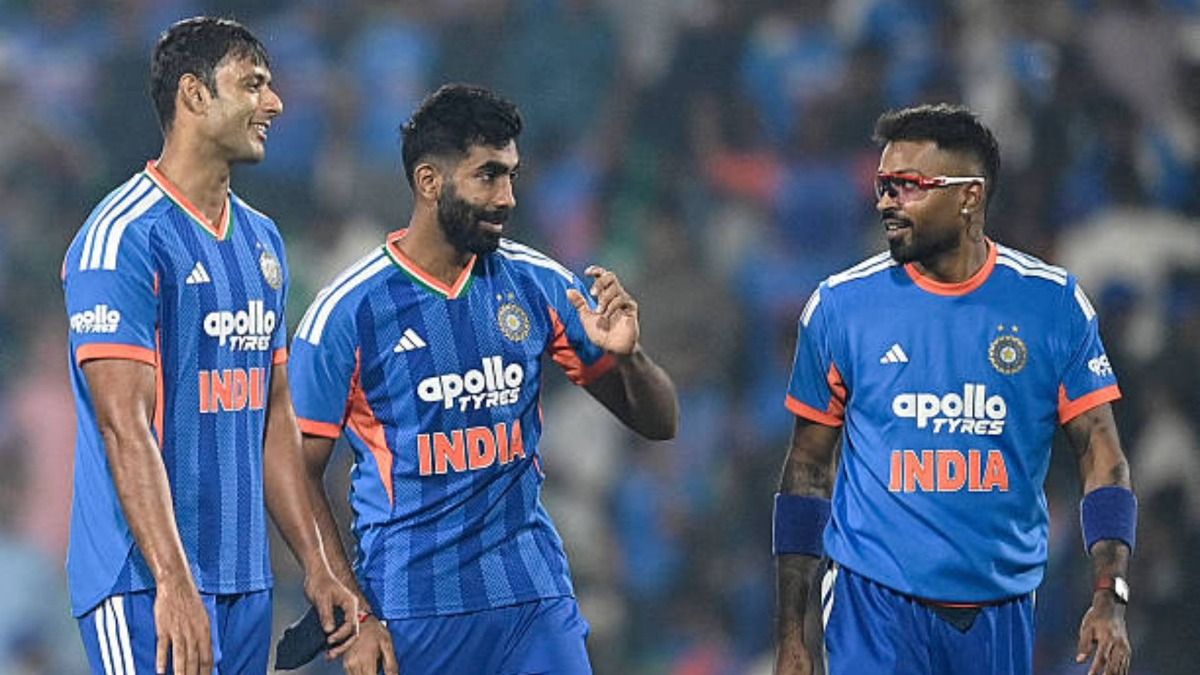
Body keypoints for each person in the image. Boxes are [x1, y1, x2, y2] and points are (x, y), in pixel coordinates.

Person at [286, 83, 679, 675]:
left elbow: (661, 422)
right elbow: (295, 473)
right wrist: (353, 613)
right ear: (429, 182)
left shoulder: (539, 284)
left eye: (512, 176)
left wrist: (631, 357)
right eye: (488, 176)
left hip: (532, 597)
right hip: (415, 611)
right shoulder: (349, 312)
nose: (508, 197)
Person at [772, 103, 1135, 675]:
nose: (887, 201)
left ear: (970, 196)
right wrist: (793, 635)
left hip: (1000, 606)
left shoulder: (1052, 305)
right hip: (873, 604)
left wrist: (1108, 595)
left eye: (908, 185)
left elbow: (1102, 456)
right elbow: (807, 471)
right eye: (883, 185)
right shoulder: (841, 307)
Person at [61, 17, 358, 675]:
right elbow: (124, 426)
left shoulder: (264, 242)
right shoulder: (122, 239)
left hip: (244, 581)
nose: (274, 103)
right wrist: (172, 580)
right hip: (144, 583)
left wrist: (316, 563)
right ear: (194, 96)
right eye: (252, 84)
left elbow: (274, 414)